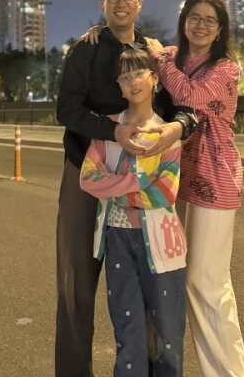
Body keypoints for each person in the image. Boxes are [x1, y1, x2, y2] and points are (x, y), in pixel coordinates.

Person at [55, 0, 196, 377]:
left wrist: (177, 128)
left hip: (148, 177)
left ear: (140, 3)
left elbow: (181, 107)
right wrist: (114, 131)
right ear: (103, 4)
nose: (121, 2)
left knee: (150, 283)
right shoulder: (86, 50)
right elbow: (67, 110)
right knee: (76, 284)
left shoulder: (154, 53)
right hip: (88, 170)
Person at [147, 0, 244, 377]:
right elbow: (138, 51)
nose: (201, 25)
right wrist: (97, 34)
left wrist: (160, 57)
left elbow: (189, 95)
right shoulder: (171, 57)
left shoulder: (225, 68)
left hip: (215, 176)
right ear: (183, 22)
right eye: (194, 18)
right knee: (193, 281)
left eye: (210, 21)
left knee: (206, 283)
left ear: (221, 29)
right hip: (177, 177)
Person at [79, 46, 187, 376]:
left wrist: (116, 186)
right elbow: (87, 178)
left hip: (162, 241)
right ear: (119, 86)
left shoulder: (168, 132)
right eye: (124, 77)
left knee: (168, 333)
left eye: (138, 73)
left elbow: (166, 192)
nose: (132, 82)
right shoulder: (109, 130)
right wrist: (138, 180)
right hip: (117, 240)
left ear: (154, 79)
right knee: (127, 328)